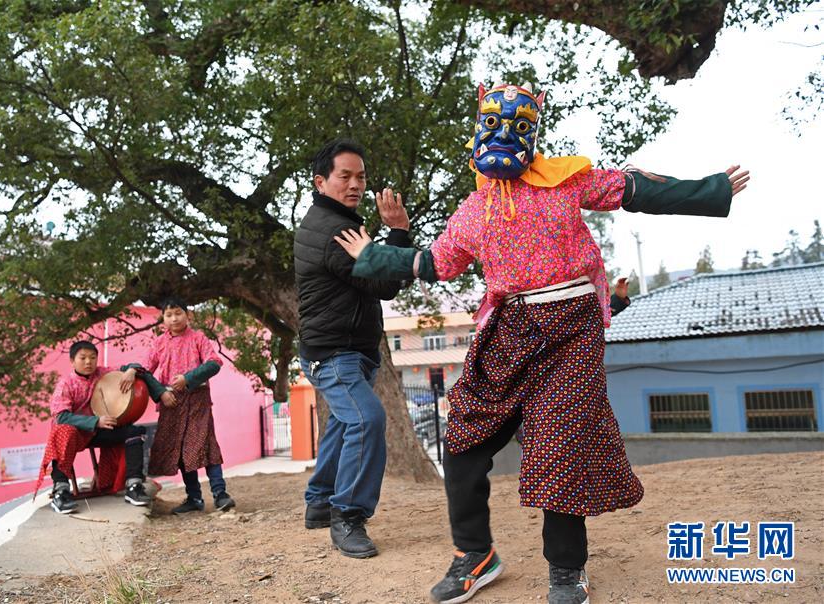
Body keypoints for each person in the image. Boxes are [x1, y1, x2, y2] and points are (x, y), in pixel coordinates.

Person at [332, 83, 749, 602]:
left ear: (534, 133)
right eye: (494, 123)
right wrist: (376, 255)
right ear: (478, 132)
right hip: (510, 330)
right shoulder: (473, 210)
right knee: (462, 441)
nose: (504, 134)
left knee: (559, 449)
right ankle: (475, 554)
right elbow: (435, 263)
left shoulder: (565, 181)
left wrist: (709, 191)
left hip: (571, 329)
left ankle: (566, 570)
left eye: (518, 126)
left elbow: (634, 189)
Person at [293, 138, 412, 558]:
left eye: (360, 176)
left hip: (345, 349)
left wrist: (386, 238)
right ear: (321, 181)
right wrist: (398, 230)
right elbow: (386, 283)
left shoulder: (339, 221)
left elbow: (372, 276)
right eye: (345, 176)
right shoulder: (334, 230)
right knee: (366, 419)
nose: (355, 184)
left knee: (344, 425)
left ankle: (320, 502)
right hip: (334, 354)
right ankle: (348, 516)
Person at [34, 340, 163, 514]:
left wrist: (131, 371)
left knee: (134, 432)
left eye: (93, 357)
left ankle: (134, 486)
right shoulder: (66, 384)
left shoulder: (103, 373)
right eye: (83, 358)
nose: (88, 362)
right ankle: (61, 491)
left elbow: (133, 365)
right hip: (74, 434)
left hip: (97, 432)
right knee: (63, 430)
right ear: (72, 361)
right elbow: (61, 416)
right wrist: (95, 422)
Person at [142, 297, 235, 514]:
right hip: (171, 402)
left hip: (197, 400)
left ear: (187, 315)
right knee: (181, 451)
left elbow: (214, 363)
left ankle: (220, 495)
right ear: (163, 319)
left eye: (178, 313)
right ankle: (194, 498)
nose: (174, 318)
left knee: (207, 444)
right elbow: (144, 371)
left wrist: (187, 378)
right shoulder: (158, 343)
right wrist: (161, 393)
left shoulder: (198, 338)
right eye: (169, 315)